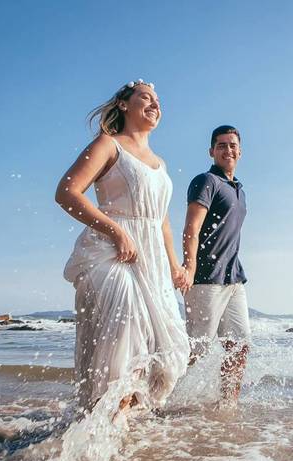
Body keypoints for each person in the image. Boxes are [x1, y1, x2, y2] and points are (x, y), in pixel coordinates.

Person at [55, 79, 190, 420]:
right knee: (129, 328)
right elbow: (67, 192)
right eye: (146, 97)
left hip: (152, 260)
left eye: (158, 99)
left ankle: (121, 430)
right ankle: (104, 431)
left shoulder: (161, 163)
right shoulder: (108, 145)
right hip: (111, 252)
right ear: (124, 105)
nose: (155, 104)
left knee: (168, 351)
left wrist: (176, 266)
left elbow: (162, 223)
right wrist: (114, 230)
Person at [181, 125, 251, 403]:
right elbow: (191, 228)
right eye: (221, 145)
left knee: (240, 346)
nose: (228, 150)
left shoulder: (239, 190)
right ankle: (143, 395)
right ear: (212, 151)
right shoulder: (206, 181)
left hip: (234, 279)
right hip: (206, 278)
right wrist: (188, 267)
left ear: (240, 151)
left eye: (232, 145)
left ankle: (228, 406)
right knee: (193, 350)